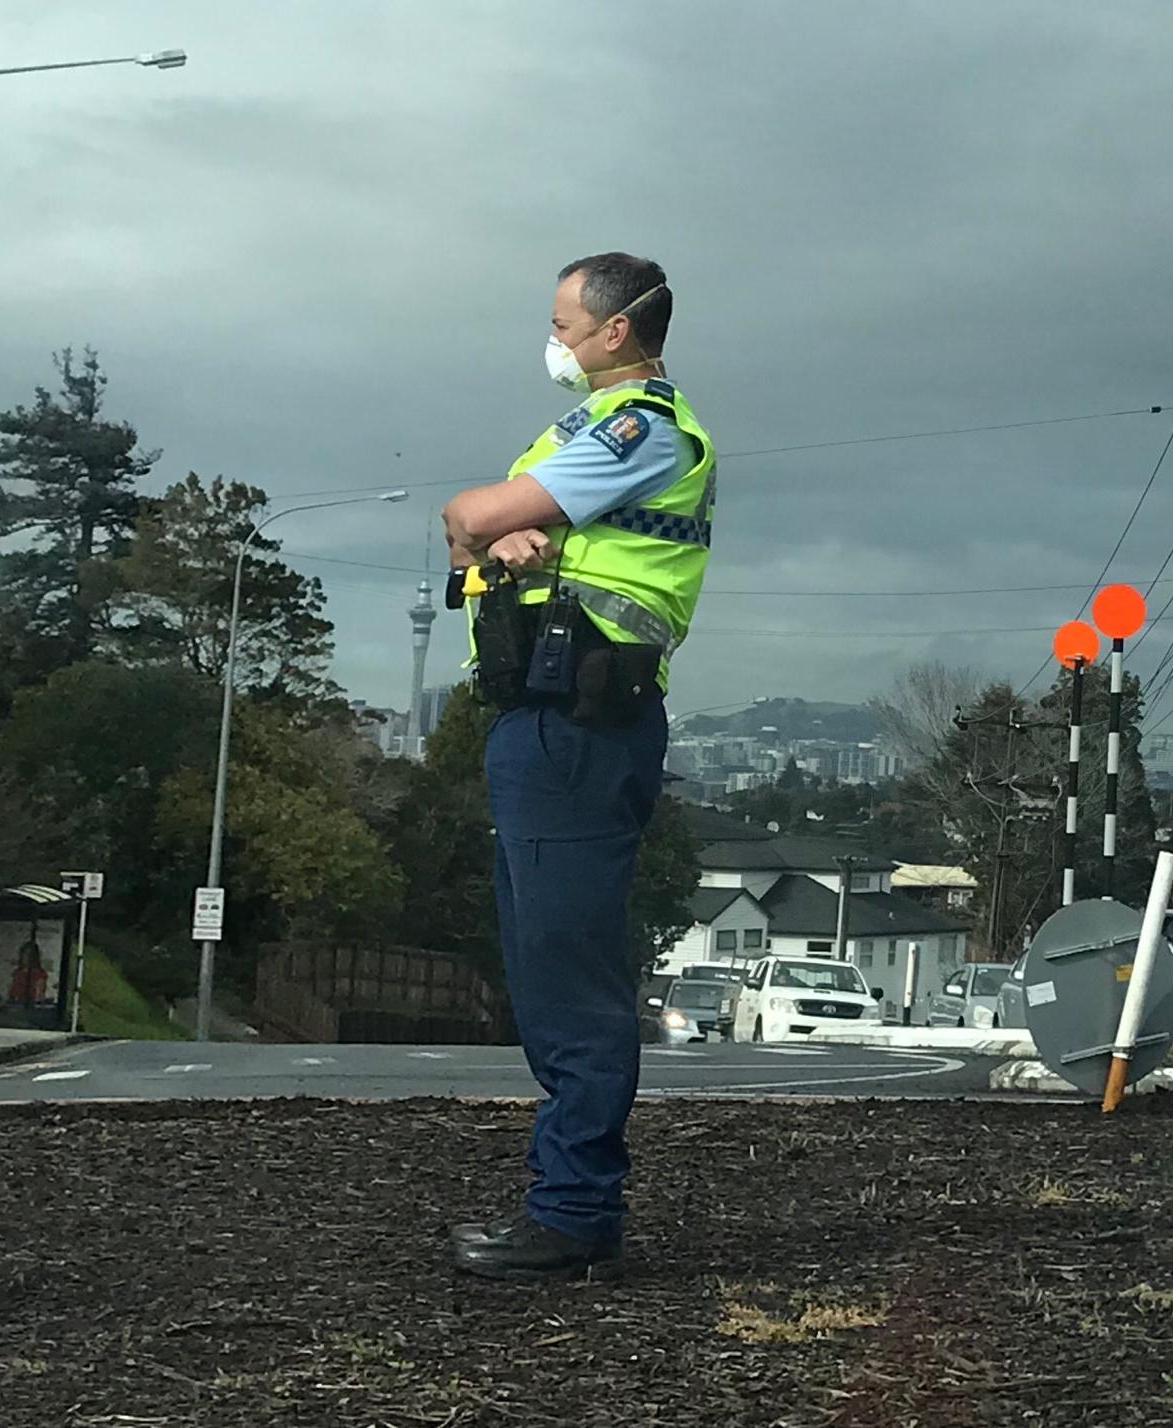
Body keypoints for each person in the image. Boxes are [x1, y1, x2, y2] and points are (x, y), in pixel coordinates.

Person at [438, 252, 716, 1282]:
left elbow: (476, 510)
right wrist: (490, 546)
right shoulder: (573, 433)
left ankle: (573, 1215)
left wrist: (494, 529)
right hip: (536, 719)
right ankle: (568, 1209)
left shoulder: (641, 431)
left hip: (584, 723)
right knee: (544, 971)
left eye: (563, 323)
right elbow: (462, 526)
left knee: (572, 980)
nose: (551, 340)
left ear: (616, 333)